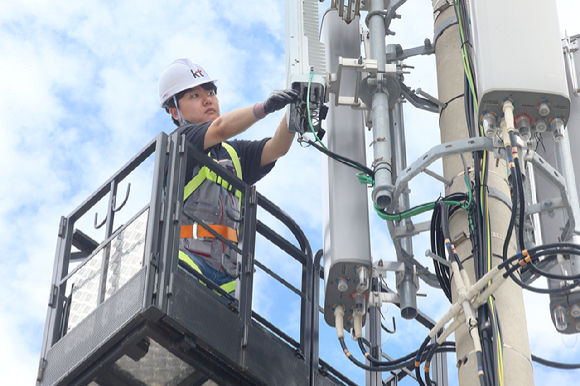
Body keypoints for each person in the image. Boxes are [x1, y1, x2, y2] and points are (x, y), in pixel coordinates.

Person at [158, 58, 299, 293]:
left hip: (229, 282)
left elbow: (277, 148)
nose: (208, 99)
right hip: (186, 265)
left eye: (211, 92)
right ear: (174, 111)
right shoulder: (181, 141)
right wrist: (264, 107)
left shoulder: (233, 153)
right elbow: (220, 128)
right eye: (194, 96)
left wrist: (295, 111)